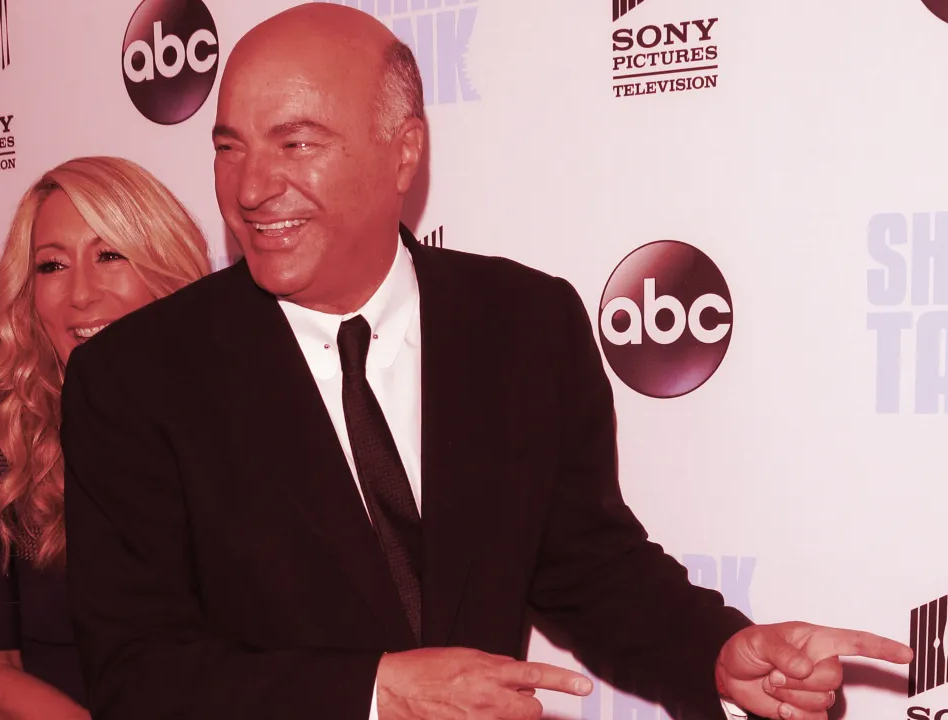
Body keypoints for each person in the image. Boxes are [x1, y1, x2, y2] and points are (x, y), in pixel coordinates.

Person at [60, 6, 913, 720]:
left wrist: (716, 652)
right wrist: (376, 692)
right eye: (229, 147)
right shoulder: (135, 379)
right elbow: (137, 674)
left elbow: (585, 562)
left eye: (296, 143)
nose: (250, 188)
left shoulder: (525, 324)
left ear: (403, 151)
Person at [0, 156, 211, 720]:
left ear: (166, 270)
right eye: (52, 266)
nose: (80, 294)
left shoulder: (232, 421)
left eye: (110, 255)